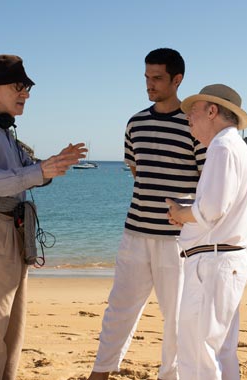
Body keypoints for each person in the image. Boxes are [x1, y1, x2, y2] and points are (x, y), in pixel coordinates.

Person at [0, 54, 86, 380]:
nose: (25, 93)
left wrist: (52, 165)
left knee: (12, 328)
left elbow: (27, 169)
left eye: (27, 87)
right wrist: (41, 171)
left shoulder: (2, 129)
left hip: (11, 229)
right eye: (19, 86)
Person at [88, 48, 206, 380]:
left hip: (177, 239)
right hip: (135, 233)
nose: (149, 85)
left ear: (177, 79)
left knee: (177, 318)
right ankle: (100, 373)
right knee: (119, 309)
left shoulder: (193, 125)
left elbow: (206, 181)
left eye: (157, 78)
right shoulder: (135, 123)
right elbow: (137, 171)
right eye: (146, 78)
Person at [166, 84, 247, 380]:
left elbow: (211, 209)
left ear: (212, 111)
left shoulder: (222, 146)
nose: (188, 119)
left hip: (215, 261)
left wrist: (180, 214)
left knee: (198, 353)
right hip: (227, 259)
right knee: (221, 350)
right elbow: (218, 207)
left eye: (193, 112)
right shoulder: (235, 148)